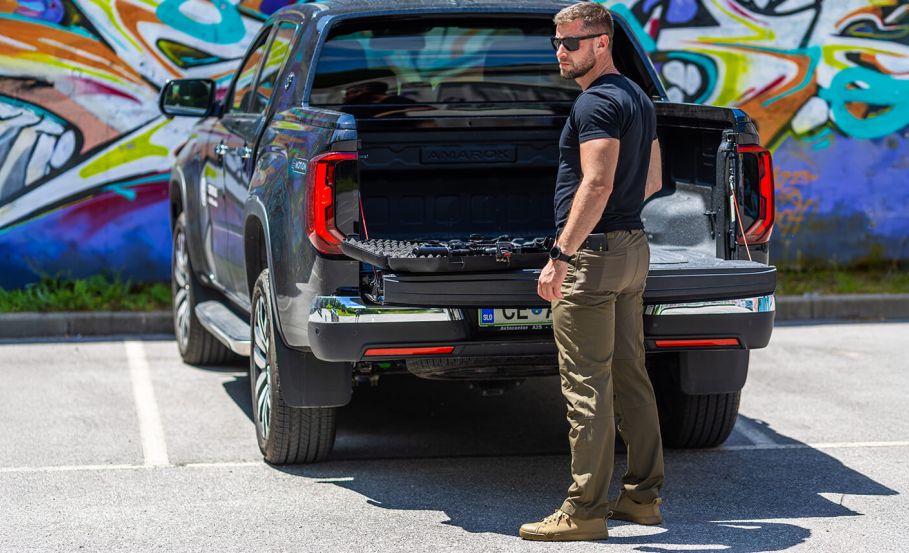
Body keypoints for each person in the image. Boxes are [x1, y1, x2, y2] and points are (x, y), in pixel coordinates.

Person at [520, 2, 665, 542]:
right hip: (631, 250)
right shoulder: (636, 97)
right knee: (631, 376)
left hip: (592, 257)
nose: (561, 52)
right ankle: (643, 500)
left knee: (587, 385)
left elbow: (596, 183)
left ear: (601, 43)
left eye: (571, 43)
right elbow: (650, 179)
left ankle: (583, 511)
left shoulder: (597, 103)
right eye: (556, 43)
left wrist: (560, 256)